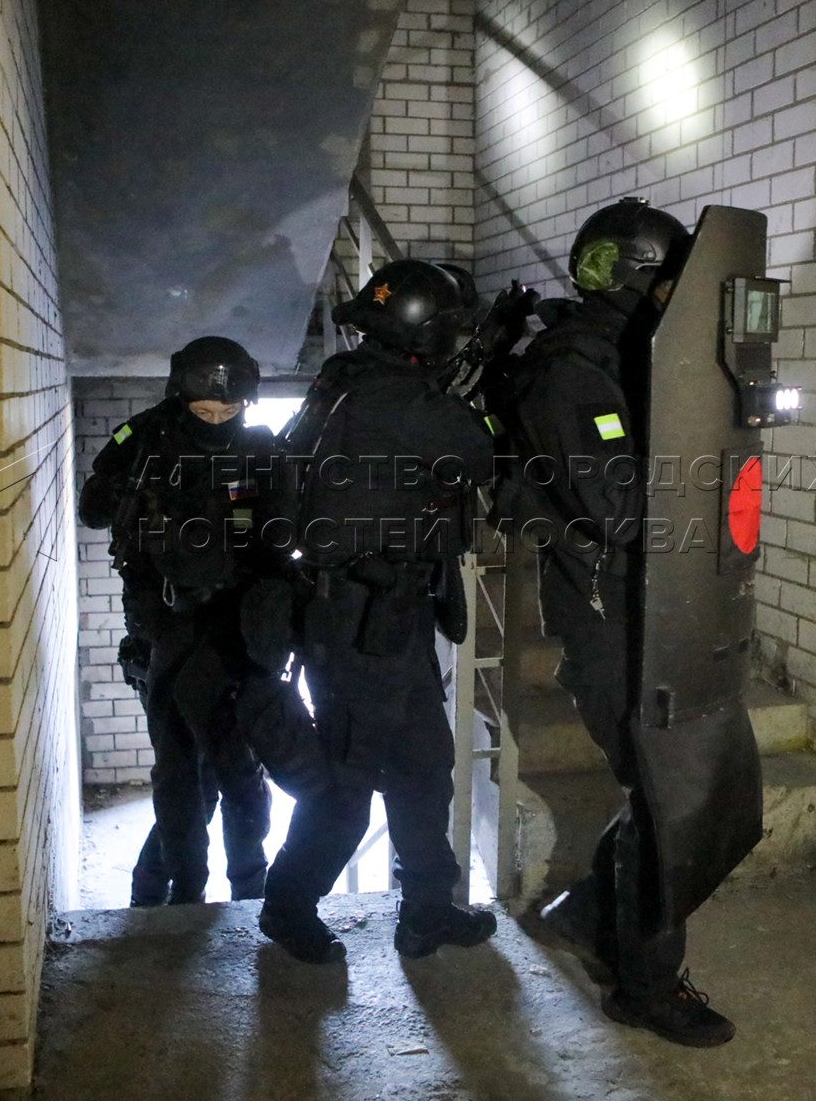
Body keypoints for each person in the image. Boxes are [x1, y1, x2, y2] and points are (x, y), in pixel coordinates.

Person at [503, 198, 736, 1046]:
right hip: (612, 612)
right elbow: (617, 507)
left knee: (683, 794)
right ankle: (646, 987)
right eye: (668, 281)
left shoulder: (640, 355)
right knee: (668, 802)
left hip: (660, 605)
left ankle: (585, 911)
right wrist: (708, 470)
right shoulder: (572, 370)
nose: (679, 298)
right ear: (633, 278)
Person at [257, 259, 499, 964]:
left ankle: (427, 908)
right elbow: (480, 455)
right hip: (360, 622)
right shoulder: (403, 401)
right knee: (348, 778)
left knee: (424, 764)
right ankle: (287, 907)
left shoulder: (347, 377)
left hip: (382, 614)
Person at [77, 336, 278, 905]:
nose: (217, 421)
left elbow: (271, 534)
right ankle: (174, 896)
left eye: (229, 411)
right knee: (182, 775)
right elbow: (94, 511)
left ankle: (247, 895)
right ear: (181, 396)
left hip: (236, 627)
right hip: (165, 626)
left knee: (235, 775)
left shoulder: (254, 447)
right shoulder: (146, 440)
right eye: (204, 412)